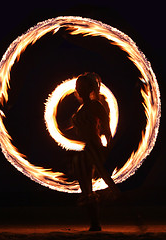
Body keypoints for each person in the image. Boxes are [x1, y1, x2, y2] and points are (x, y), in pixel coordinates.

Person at [71, 72, 120, 231]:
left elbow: (106, 128)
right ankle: (94, 223)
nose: (79, 88)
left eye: (83, 86)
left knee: (108, 182)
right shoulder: (81, 108)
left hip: (94, 147)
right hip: (86, 149)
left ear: (91, 88)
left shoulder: (95, 105)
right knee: (86, 188)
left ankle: (129, 213)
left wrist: (109, 149)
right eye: (78, 85)